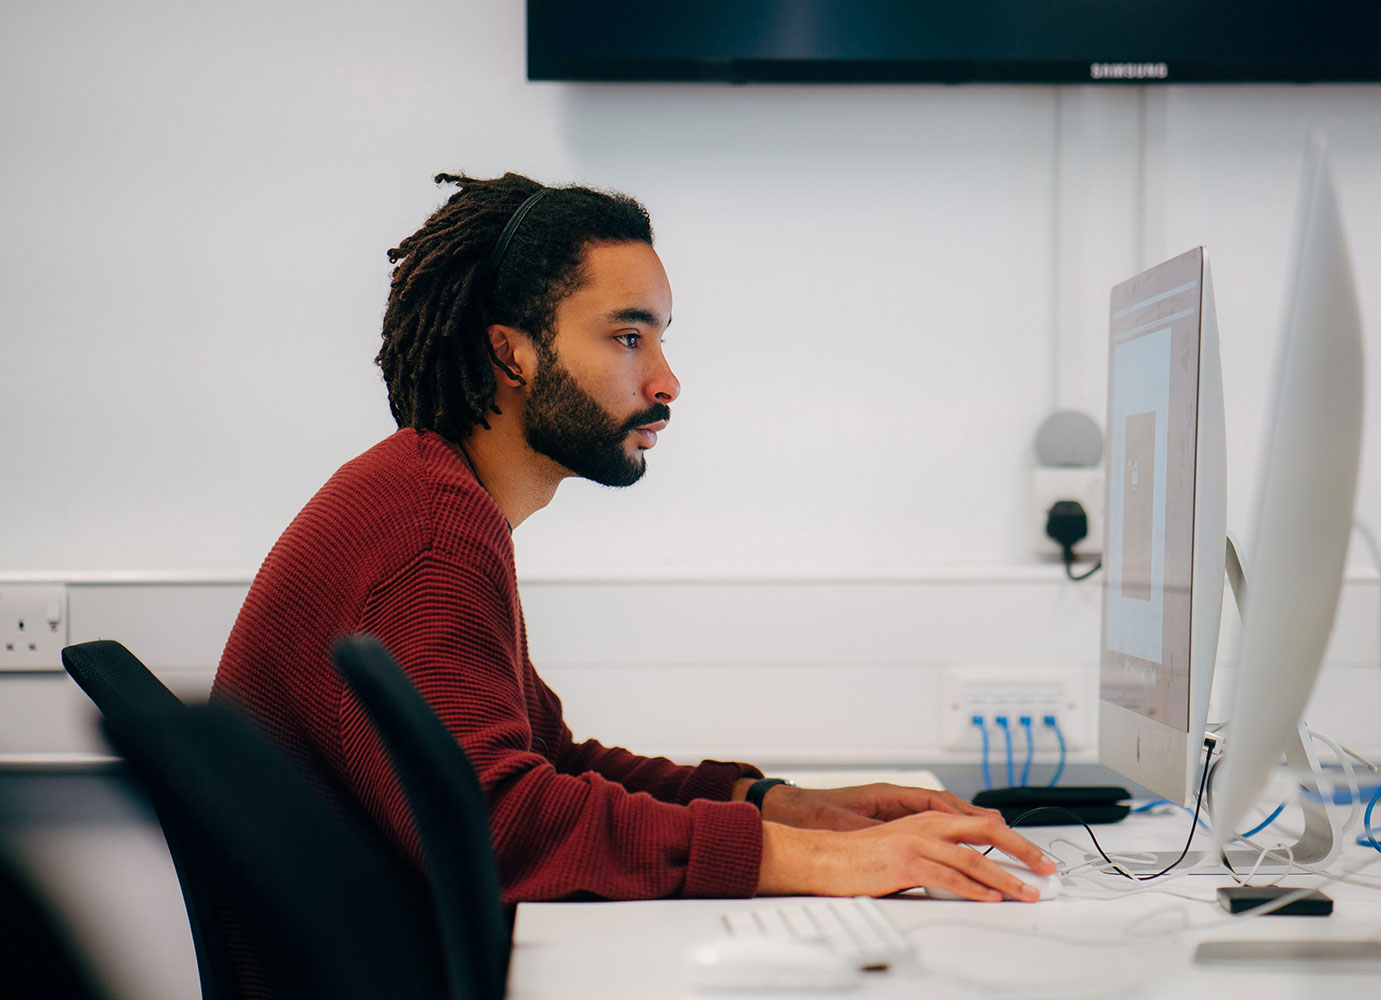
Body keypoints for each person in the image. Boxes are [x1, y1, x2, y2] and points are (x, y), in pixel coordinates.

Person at [212, 172, 1051, 905]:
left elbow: (552, 765)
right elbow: (503, 823)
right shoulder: (433, 535)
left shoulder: (431, 498)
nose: (667, 381)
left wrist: (771, 804)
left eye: (661, 338)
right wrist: (816, 860)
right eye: (627, 337)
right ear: (512, 354)